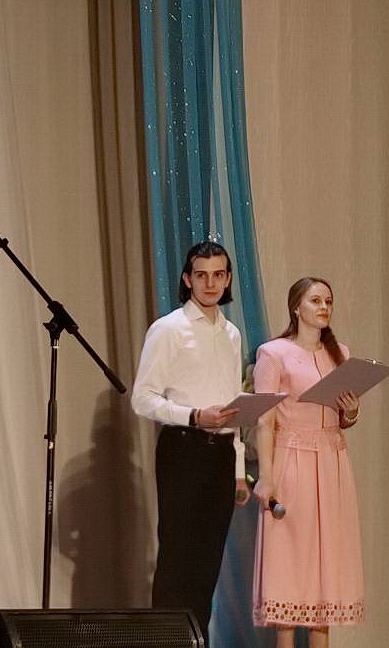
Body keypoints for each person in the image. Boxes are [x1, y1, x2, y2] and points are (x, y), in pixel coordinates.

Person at [132, 240, 249, 644]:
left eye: (218, 275)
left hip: (220, 454)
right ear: (187, 279)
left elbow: (233, 404)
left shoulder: (231, 334)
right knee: (177, 561)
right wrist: (195, 416)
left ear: (228, 279)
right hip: (183, 448)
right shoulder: (168, 329)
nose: (210, 283)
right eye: (201, 275)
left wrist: (238, 471)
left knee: (207, 564)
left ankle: (196, 641)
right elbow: (142, 398)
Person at [251, 277, 363, 647]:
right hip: (293, 460)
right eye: (315, 300)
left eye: (328, 300)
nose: (323, 307)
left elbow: (343, 417)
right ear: (297, 307)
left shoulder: (339, 353)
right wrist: (266, 477)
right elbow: (264, 419)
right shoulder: (274, 353)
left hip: (331, 463)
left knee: (326, 565)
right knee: (290, 560)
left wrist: (351, 411)